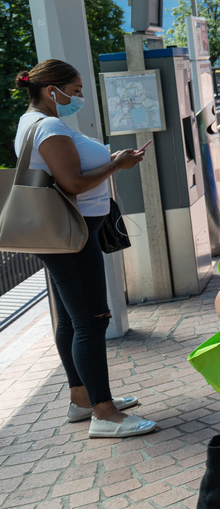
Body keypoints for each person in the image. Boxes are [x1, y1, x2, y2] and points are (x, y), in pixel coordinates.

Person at [12, 60, 155, 439]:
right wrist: (117, 165)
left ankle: (82, 399)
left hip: (66, 234)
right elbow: (73, 183)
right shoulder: (49, 126)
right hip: (70, 237)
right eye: (74, 91)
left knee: (72, 321)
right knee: (92, 321)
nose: (78, 98)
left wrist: (109, 163)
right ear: (50, 90)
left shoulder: (30, 122)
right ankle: (104, 414)